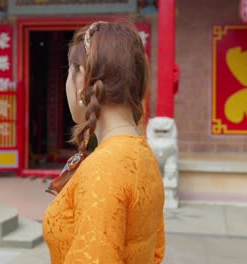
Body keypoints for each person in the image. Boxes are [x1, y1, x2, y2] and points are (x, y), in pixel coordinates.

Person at [43, 20, 165, 264]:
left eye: (69, 71)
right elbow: (155, 252)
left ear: (82, 80)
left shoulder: (103, 169)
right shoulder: (141, 153)